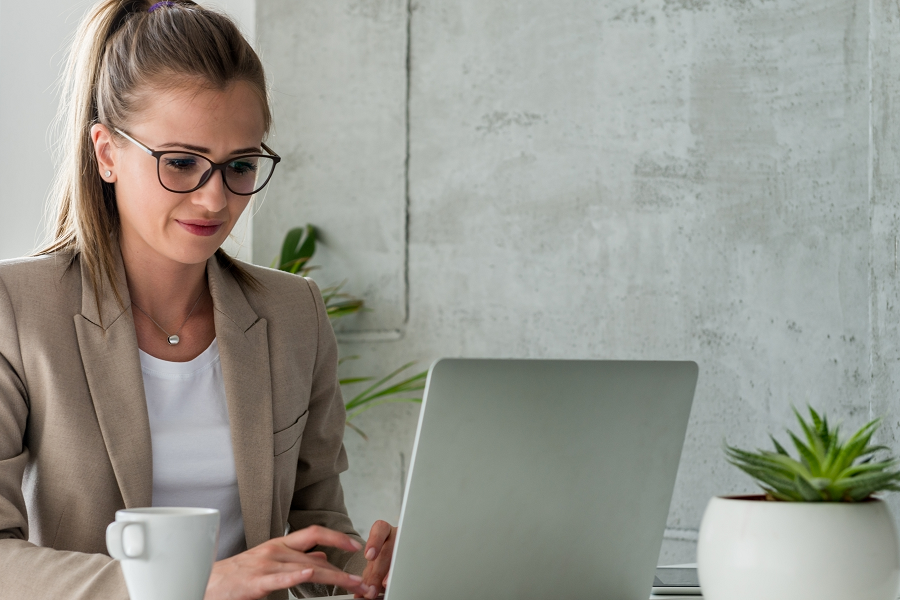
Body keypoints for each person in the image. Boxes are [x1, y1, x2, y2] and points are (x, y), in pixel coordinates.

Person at [0, 2, 397, 599]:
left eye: (240, 165)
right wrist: (187, 587)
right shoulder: (17, 308)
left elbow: (316, 530)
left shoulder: (295, 315)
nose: (215, 200)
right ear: (107, 153)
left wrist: (357, 580)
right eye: (182, 163)